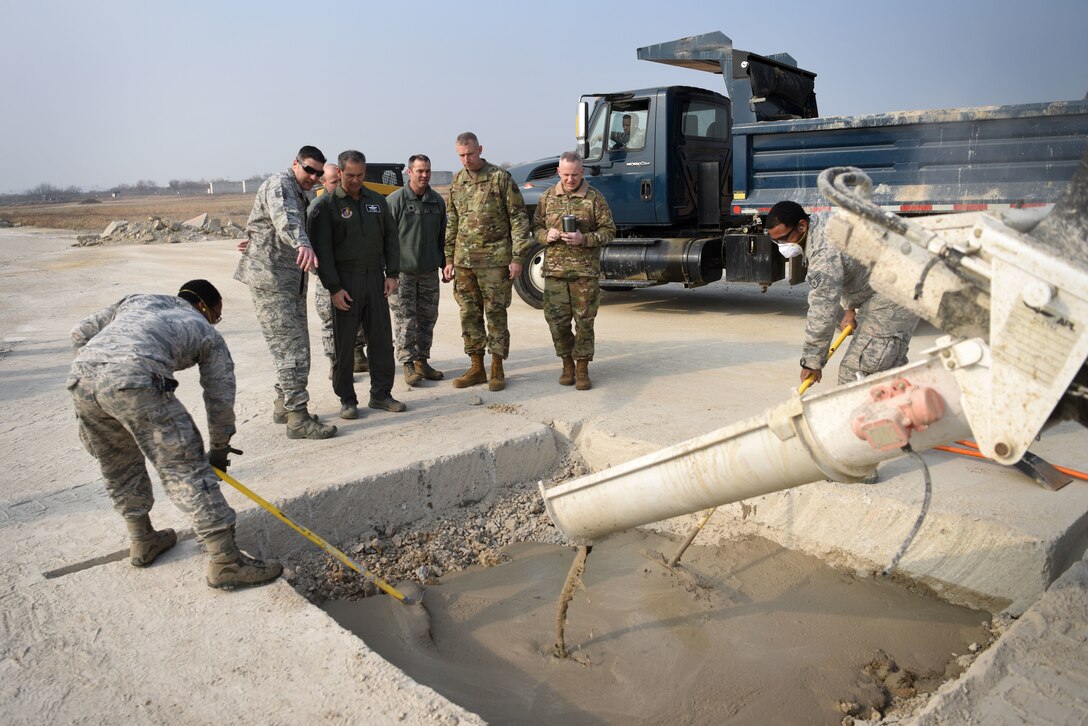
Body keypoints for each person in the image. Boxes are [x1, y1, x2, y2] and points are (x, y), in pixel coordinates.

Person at [67, 280, 282, 590]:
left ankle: (142, 539)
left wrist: (99, 371)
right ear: (204, 306)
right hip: (135, 376)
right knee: (183, 463)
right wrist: (219, 451)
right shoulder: (203, 328)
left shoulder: (137, 299)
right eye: (216, 315)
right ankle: (225, 561)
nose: (214, 321)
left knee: (118, 463)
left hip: (82, 376)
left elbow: (78, 334)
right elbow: (220, 397)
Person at [234, 146, 337, 439]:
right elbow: (287, 220)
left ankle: (283, 405)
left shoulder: (298, 189)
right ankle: (298, 418)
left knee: (292, 346)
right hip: (272, 281)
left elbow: (262, 223)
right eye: (309, 170)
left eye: (319, 173)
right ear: (295, 164)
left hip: (288, 279)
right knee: (292, 351)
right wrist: (301, 243)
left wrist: (255, 239)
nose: (314, 177)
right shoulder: (281, 184)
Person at [765, 200, 920, 387]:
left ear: (802, 225)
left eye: (784, 239)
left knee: (856, 373)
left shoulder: (823, 251)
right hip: (885, 282)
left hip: (897, 288)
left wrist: (812, 361)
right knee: (886, 366)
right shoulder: (820, 223)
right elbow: (849, 269)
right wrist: (850, 309)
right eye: (776, 241)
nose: (781, 245)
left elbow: (822, 311)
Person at [310, 150, 405, 420]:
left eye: (360, 175)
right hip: (345, 282)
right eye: (350, 175)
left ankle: (381, 394)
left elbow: (391, 239)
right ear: (339, 172)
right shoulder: (326, 206)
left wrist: (392, 273)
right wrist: (334, 288)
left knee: (381, 341)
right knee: (345, 344)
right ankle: (347, 399)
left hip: (375, 278)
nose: (355, 180)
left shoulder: (376, 201)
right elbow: (322, 253)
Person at [444, 132, 532, 391]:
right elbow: (452, 221)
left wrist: (517, 257)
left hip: (495, 260)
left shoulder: (499, 178)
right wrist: (448, 257)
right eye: (461, 155)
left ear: (480, 149)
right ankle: (476, 366)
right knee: (469, 314)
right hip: (464, 262)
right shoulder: (458, 181)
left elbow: (518, 218)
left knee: (495, 313)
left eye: (470, 154)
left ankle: (497, 366)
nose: (466, 159)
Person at [531, 151, 616, 389]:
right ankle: (567, 363)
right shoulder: (547, 197)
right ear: (559, 172)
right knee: (557, 322)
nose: (570, 180)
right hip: (555, 273)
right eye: (566, 174)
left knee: (585, 322)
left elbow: (610, 231)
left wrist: (584, 239)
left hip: (584, 273)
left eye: (575, 175)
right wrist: (546, 235)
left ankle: (582, 368)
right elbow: (536, 227)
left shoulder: (594, 198)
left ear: (583, 172)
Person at [386, 154, 449, 386]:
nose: (424, 175)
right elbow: (385, 239)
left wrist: (445, 263)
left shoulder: (437, 201)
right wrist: (389, 272)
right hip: (402, 273)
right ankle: (408, 364)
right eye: (419, 171)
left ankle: (423, 360)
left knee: (427, 317)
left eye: (427, 171)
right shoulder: (395, 201)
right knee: (405, 319)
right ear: (409, 173)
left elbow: (443, 236)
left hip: (429, 271)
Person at [311, 163, 369, 379]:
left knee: (358, 316)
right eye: (334, 181)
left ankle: (356, 354)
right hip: (328, 278)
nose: (340, 184)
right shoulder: (318, 208)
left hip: (352, 273)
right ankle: (335, 363)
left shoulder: (353, 204)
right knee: (330, 322)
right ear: (323, 183)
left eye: (339, 179)